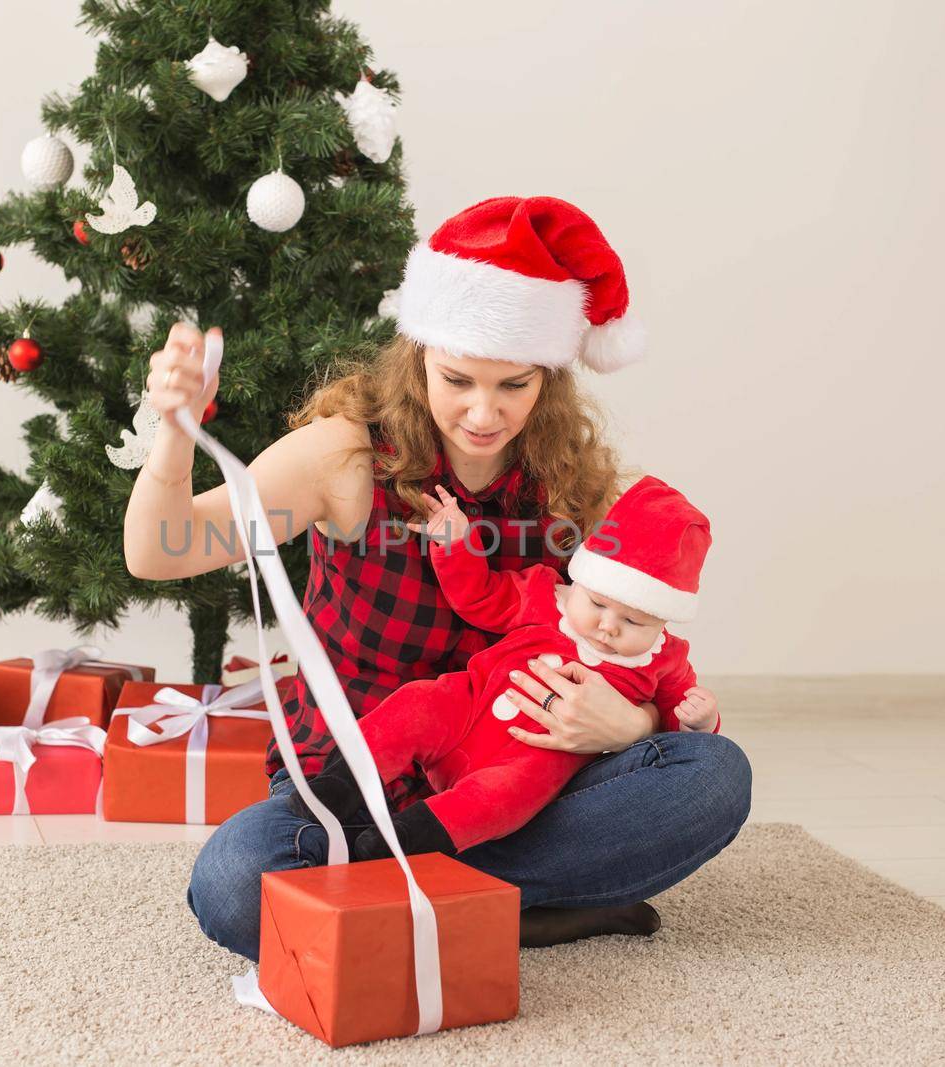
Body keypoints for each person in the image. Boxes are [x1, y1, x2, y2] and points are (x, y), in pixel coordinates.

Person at [123, 195, 752, 961]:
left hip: (513, 784)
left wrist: (637, 727)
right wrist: (172, 431)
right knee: (233, 882)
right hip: (356, 785)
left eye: (514, 386)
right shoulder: (345, 456)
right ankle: (508, 905)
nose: (483, 412)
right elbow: (159, 550)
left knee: (713, 774)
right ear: (418, 357)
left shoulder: (573, 482)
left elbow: (638, 651)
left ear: (547, 380)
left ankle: (409, 905)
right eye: (458, 380)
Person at [289, 475, 719, 861]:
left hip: (532, 757)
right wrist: (458, 544)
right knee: (417, 704)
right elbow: (479, 597)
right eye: (599, 604)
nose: (607, 627)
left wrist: (700, 720)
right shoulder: (545, 597)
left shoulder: (664, 658)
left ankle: (409, 841)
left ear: (663, 620)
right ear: (582, 580)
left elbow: (674, 715)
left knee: (514, 795)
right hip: (468, 707)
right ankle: (339, 784)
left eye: (633, 621)